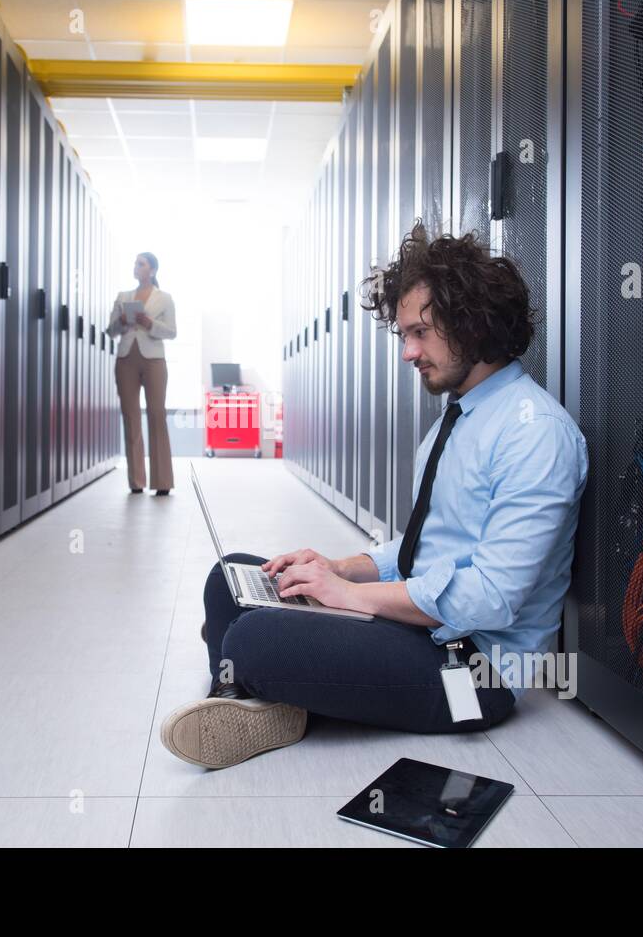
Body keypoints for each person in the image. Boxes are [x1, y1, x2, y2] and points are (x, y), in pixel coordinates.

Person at [159, 224, 589, 769]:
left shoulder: (536, 433)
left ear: (473, 322)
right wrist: (336, 567)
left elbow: (491, 597)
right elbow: (419, 550)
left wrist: (348, 596)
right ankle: (249, 698)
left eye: (420, 332)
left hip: (471, 669)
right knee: (233, 577)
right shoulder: (458, 419)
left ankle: (251, 683)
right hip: (417, 628)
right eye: (404, 334)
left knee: (252, 638)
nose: (408, 352)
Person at [107, 252, 177, 495]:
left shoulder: (164, 298)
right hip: (126, 359)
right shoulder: (123, 297)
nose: (136, 267)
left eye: (141, 264)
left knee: (157, 415)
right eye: (135, 263)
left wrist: (150, 324)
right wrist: (122, 321)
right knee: (131, 417)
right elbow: (111, 331)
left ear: (152, 270)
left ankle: (162, 481)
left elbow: (172, 332)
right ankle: (136, 481)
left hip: (154, 359)